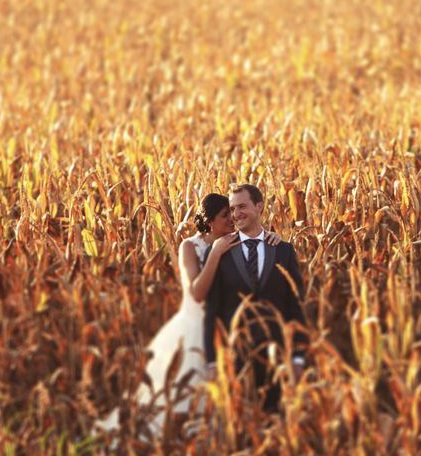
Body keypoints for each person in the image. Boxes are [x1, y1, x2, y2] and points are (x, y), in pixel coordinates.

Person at [95, 193, 281, 435]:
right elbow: (196, 293)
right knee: (180, 401)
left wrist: (273, 238)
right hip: (193, 331)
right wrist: (215, 254)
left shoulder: (235, 241)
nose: (232, 220)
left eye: (233, 214)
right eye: (226, 215)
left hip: (226, 331)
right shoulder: (190, 247)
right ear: (210, 220)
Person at [203, 184, 308, 412]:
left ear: (259, 206)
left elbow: (295, 305)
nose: (236, 214)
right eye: (232, 209)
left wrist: (298, 357)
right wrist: (212, 361)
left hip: (277, 357)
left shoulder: (283, 250)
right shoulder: (220, 252)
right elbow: (212, 310)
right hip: (235, 358)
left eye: (242, 206)